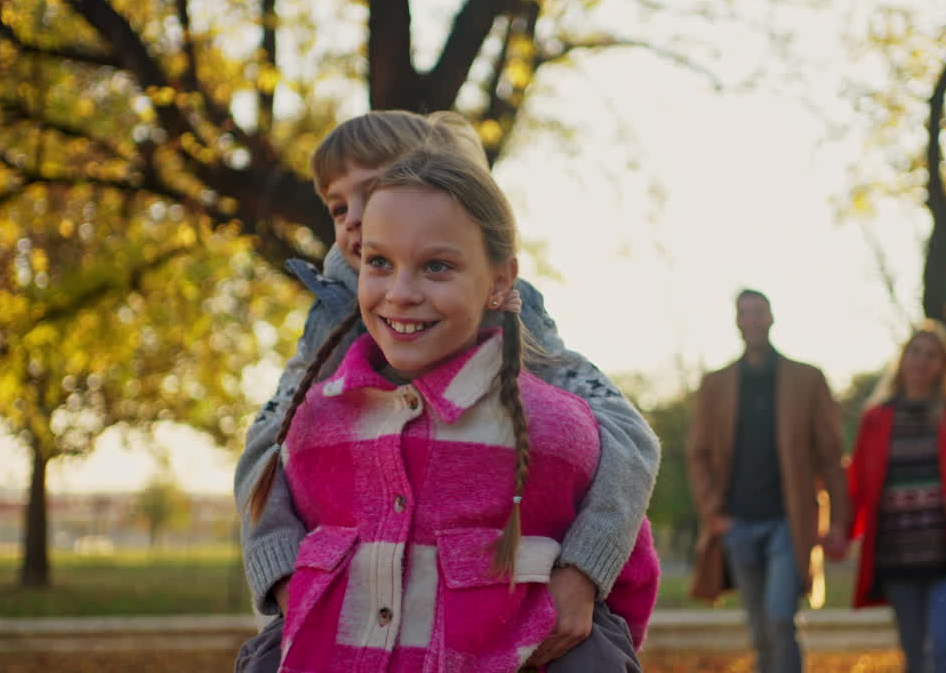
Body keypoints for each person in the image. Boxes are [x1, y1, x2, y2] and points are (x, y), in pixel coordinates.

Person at [233, 110, 660, 673]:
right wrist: (284, 574)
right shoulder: (336, 307)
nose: (356, 217)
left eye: (377, 188)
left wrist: (583, 571)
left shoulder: (511, 316)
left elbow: (622, 434)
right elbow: (271, 439)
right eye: (339, 207)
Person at [685, 289, 849, 673]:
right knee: (759, 629)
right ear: (737, 322)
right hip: (738, 523)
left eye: (759, 312)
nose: (753, 320)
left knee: (779, 616)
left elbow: (830, 454)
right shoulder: (716, 384)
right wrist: (712, 511)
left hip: (789, 522)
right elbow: (698, 454)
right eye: (745, 313)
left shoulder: (806, 379)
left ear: (771, 318)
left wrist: (840, 520)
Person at [846, 322, 946, 673]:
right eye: (915, 352)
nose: (921, 361)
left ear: (943, 366)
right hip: (898, 557)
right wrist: (843, 530)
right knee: (915, 657)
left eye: (931, 355)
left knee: (945, 650)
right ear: (902, 359)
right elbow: (858, 485)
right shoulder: (876, 418)